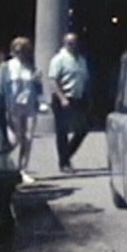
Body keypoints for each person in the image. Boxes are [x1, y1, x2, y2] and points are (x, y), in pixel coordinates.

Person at [0, 37, 42, 183]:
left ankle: (22, 169)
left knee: (28, 138)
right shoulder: (6, 67)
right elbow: (1, 90)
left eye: (24, 50)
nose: (20, 53)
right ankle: (3, 161)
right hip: (13, 107)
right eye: (17, 50)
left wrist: (40, 102)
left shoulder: (32, 68)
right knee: (16, 138)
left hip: (30, 106)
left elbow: (38, 88)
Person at [48, 32, 90, 173]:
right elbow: (53, 80)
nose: (73, 45)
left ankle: (66, 155)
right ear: (64, 43)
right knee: (63, 131)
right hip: (63, 98)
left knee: (83, 128)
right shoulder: (59, 59)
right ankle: (64, 163)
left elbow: (85, 78)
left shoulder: (81, 60)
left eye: (75, 42)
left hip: (78, 97)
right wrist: (62, 98)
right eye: (70, 43)